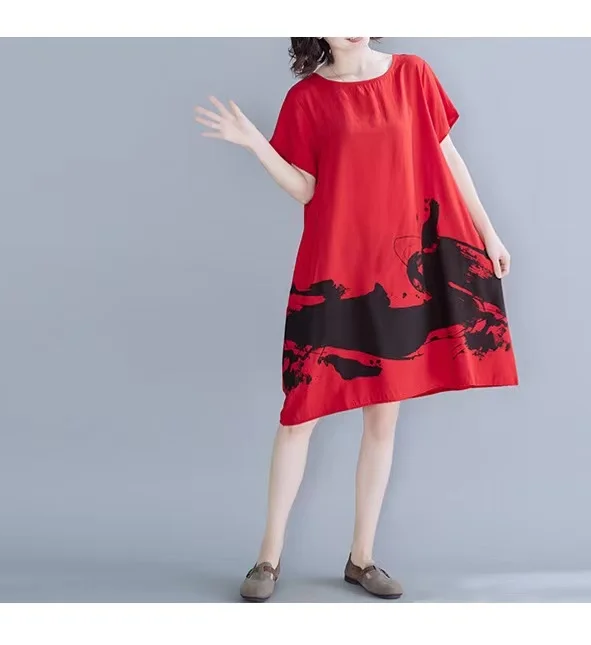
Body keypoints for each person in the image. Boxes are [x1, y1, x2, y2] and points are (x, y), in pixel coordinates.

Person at [195, 37, 519, 602]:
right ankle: (267, 558)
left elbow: (447, 155)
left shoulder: (413, 75)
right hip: (337, 269)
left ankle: (361, 558)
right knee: (299, 415)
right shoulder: (308, 98)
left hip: (397, 274)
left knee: (383, 418)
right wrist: (256, 144)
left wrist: (488, 233)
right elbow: (306, 188)